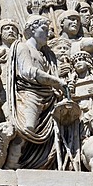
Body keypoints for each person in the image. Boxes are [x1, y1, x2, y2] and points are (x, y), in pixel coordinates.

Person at [5, 14, 67, 169]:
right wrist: (55, 81)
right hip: (29, 94)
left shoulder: (47, 55)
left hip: (48, 98)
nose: (48, 34)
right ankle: (10, 165)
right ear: (32, 29)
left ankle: (40, 165)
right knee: (26, 131)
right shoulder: (22, 47)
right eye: (44, 29)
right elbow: (27, 71)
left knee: (51, 136)